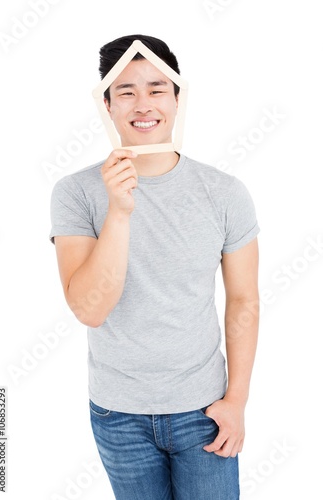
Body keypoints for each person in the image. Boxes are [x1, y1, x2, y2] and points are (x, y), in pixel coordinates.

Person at [49, 34, 260, 500]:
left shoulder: (224, 192)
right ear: (106, 105)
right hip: (117, 414)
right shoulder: (75, 193)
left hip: (205, 410)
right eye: (126, 91)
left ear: (177, 98)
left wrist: (236, 401)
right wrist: (119, 211)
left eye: (156, 88)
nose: (142, 104)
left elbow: (244, 298)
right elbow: (89, 309)